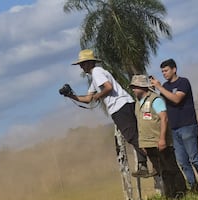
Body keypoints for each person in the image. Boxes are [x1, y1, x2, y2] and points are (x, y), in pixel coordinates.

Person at [61, 49, 155, 178]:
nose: (81, 66)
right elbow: (88, 99)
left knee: (133, 137)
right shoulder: (96, 76)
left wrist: (99, 95)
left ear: (89, 63)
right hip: (125, 104)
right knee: (136, 136)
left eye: (83, 63)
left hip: (119, 107)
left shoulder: (96, 72)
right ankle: (145, 164)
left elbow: (108, 87)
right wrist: (71, 96)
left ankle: (157, 161)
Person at [150, 59, 198, 192]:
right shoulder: (165, 86)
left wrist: (159, 87)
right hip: (173, 129)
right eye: (162, 71)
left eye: (166, 70)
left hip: (188, 125)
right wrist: (157, 89)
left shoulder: (183, 82)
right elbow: (162, 103)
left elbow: (176, 99)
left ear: (174, 69)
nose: (164, 73)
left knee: (194, 157)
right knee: (182, 161)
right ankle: (193, 185)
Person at [129, 75, 187, 199]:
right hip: (148, 143)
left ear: (142, 87)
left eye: (135, 87)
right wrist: (142, 143)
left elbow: (164, 118)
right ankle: (171, 195)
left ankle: (181, 192)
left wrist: (162, 139)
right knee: (162, 171)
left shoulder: (156, 100)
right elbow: (140, 124)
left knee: (171, 168)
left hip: (159, 141)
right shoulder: (137, 103)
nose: (133, 89)